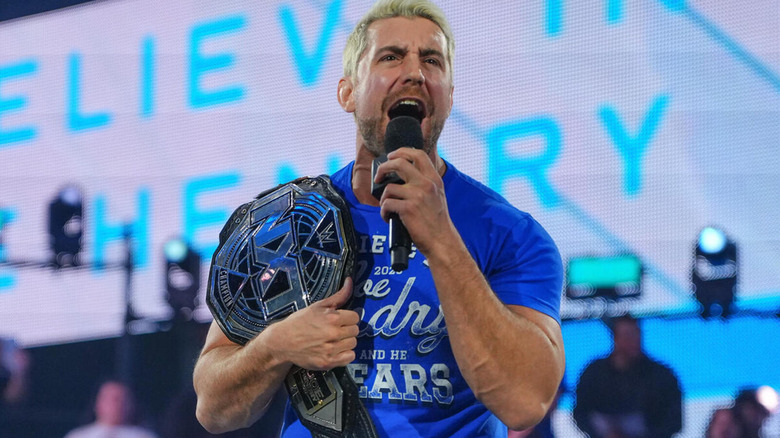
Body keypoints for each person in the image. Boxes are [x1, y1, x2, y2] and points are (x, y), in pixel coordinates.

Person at [193, 1, 565, 437]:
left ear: (449, 94)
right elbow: (213, 409)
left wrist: (441, 239)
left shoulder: (511, 234)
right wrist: (276, 346)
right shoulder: (288, 225)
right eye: (391, 57)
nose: (415, 73)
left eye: (432, 60)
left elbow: (525, 402)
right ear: (347, 92)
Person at [573, 315, 682, 438]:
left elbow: (675, 420)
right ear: (615, 338)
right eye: (627, 335)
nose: (633, 340)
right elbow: (580, 413)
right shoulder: (594, 373)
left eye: (636, 334)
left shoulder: (661, 375)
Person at [64, 380, 157, 438]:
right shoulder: (78, 436)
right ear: (97, 403)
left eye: (123, 400)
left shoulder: (143, 436)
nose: (117, 405)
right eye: (113, 399)